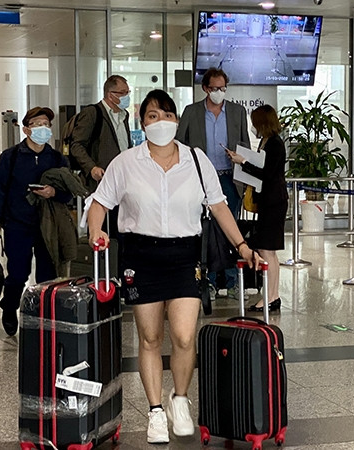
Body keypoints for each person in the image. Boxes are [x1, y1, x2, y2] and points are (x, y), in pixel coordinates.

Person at [86, 89, 259, 444]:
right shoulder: (126, 162)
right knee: (150, 338)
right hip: (141, 256)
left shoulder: (196, 160)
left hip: (184, 255)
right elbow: (99, 204)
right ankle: (154, 411)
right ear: (142, 123)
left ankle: (179, 398)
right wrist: (95, 232)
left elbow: (220, 206)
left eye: (166, 115)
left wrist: (242, 244)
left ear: (176, 121)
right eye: (152, 116)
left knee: (183, 335)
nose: (160, 122)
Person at [0, 107, 72, 336]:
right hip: (17, 224)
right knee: (18, 273)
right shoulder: (10, 157)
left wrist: (54, 193)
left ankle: (42, 315)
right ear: (26, 129)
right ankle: (10, 306)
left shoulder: (56, 158)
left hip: (48, 225)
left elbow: (69, 193)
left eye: (47, 124)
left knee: (47, 274)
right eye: (37, 124)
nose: (43, 128)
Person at [176, 68, 250, 298]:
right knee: (203, 230)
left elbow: (245, 144)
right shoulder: (192, 112)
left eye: (223, 88)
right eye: (215, 88)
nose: (219, 92)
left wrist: (244, 170)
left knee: (231, 229)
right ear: (205, 88)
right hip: (200, 180)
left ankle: (231, 282)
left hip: (229, 177)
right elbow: (180, 143)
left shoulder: (237, 112)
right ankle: (205, 281)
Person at [227, 105, 287, 312]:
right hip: (268, 201)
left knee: (267, 250)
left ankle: (270, 296)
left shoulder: (275, 144)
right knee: (267, 250)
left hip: (274, 202)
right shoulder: (267, 141)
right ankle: (272, 295)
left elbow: (267, 173)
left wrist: (243, 162)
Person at [69, 75, 133, 237]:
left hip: (123, 182)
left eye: (128, 92)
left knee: (120, 230)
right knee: (104, 229)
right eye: (123, 93)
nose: (127, 96)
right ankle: (104, 260)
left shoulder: (124, 116)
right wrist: (91, 168)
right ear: (111, 95)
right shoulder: (93, 113)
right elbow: (76, 145)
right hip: (101, 182)